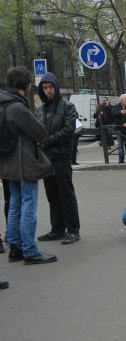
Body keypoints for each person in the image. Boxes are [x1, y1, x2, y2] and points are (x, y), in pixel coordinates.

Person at [0, 66, 57, 264]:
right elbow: (40, 132)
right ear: (26, 85)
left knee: (15, 203)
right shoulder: (16, 107)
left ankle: (15, 246)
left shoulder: (3, 103)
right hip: (23, 162)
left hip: (7, 162)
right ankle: (30, 250)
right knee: (28, 206)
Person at [35, 72, 81, 245]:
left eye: (51, 87)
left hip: (61, 156)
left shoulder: (67, 106)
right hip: (46, 157)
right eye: (45, 88)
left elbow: (69, 129)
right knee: (52, 196)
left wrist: (48, 141)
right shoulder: (40, 109)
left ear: (56, 87)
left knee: (66, 194)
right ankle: (57, 229)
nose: (48, 91)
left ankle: (73, 230)